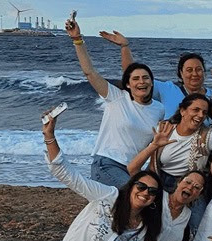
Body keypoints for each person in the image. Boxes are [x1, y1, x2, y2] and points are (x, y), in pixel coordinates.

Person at [38, 109, 163, 241]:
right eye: (141, 186)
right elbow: (68, 175)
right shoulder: (108, 197)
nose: (145, 193)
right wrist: (50, 136)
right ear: (131, 187)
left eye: (152, 192)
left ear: (154, 200)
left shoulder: (144, 229)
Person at [64, 13, 161, 188]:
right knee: (132, 197)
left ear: (152, 82)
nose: (141, 82)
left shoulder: (159, 109)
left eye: (145, 78)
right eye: (136, 79)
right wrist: (77, 40)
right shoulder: (116, 97)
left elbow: (157, 144)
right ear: (128, 84)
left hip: (133, 169)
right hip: (106, 164)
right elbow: (90, 73)